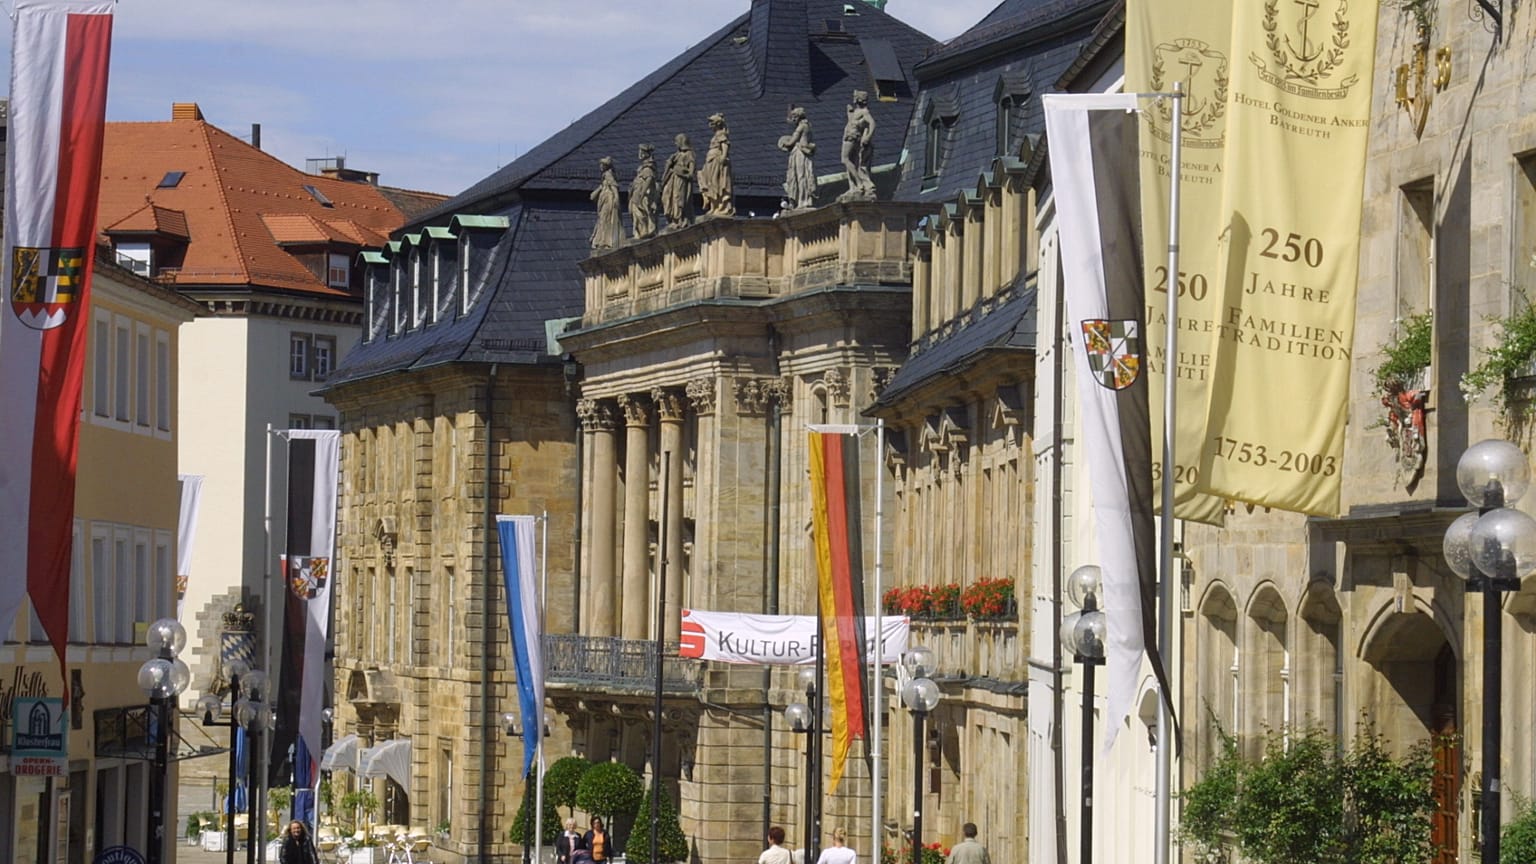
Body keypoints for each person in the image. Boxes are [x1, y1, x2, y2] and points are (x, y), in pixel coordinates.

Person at [838, 90, 876, 201]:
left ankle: (859, 183)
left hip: (852, 137)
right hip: (851, 136)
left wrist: (868, 136)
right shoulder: (857, 111)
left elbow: (872, 123)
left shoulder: (864, 111)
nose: (853, 98)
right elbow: (852, 122)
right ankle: (853, 187)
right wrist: (849, 113)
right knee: (852, 162)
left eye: (855, 96)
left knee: (845, 159)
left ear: (859, 99)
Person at [778, 105, 815, 212]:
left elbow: (791, 142)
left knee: (799, 176)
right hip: (804, 153)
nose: (793, 119)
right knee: (802, 176)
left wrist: (782, 143)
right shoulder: (808, 125)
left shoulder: (801, 127)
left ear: (799, 116)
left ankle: (802, 200)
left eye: (795, 116)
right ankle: (803, 199)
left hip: (800, 153)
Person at [700, 113, 735, 217]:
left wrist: (723, 157)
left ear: (717, 123)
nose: (710, 125)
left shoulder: (720, 134)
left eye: (712, 123)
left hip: (717, 161)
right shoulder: (716, 135)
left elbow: (725, 146)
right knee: (710, 182)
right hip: (711, 162)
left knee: (716, 182)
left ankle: (720, 206)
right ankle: (713, 206)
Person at [661, 133, 696, 229]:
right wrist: (669, 164)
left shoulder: (689, 154)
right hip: (672, 179)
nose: (675, 144)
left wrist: (681, 172)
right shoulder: (676, 155)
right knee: (667, 197)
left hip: (681, 180)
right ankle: (673, 219)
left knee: (678, 198)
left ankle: (680, 219)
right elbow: (667, 169)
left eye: (677, 141)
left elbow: (691, 172)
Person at [590, 157, 622, 250]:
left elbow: (614, 186)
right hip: (605, 200)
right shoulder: (605, 176)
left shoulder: (608, 174)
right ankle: (602, 240)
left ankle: (604, 241)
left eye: (602, 164)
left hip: (608, 200)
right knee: (603, 219)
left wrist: (616, 198)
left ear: (606, 166)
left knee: (605, 219)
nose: (600, 166)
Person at [630, 143, 659, 241]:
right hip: (638, 193)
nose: (639, 154)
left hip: (643, 195)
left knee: (642, 213)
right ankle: (641, 231)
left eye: (641, 151)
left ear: (645, 153)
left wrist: (642, 194)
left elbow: (649, 180)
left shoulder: (648, 167)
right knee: (637, 214)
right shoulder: (643, 167)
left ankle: (645, 230)